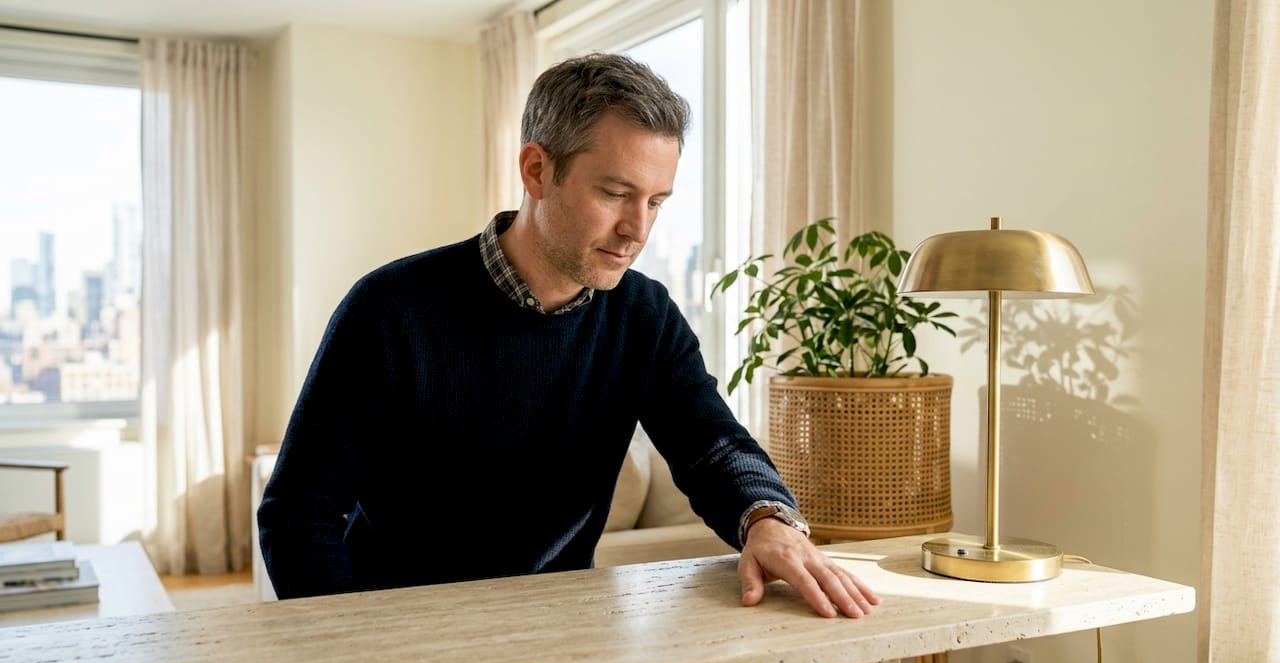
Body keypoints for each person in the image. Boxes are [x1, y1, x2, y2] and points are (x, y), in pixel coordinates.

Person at [257, 53, 879, 619]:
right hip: (397, 629)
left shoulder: (645, 315)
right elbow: (298, 515)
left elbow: (711, 444)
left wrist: (768, 520)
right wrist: (346, 652)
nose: (637, 229)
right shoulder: (391, 309)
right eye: (615, 193)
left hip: (562, 629)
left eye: (657, 202)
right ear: (536, 170)